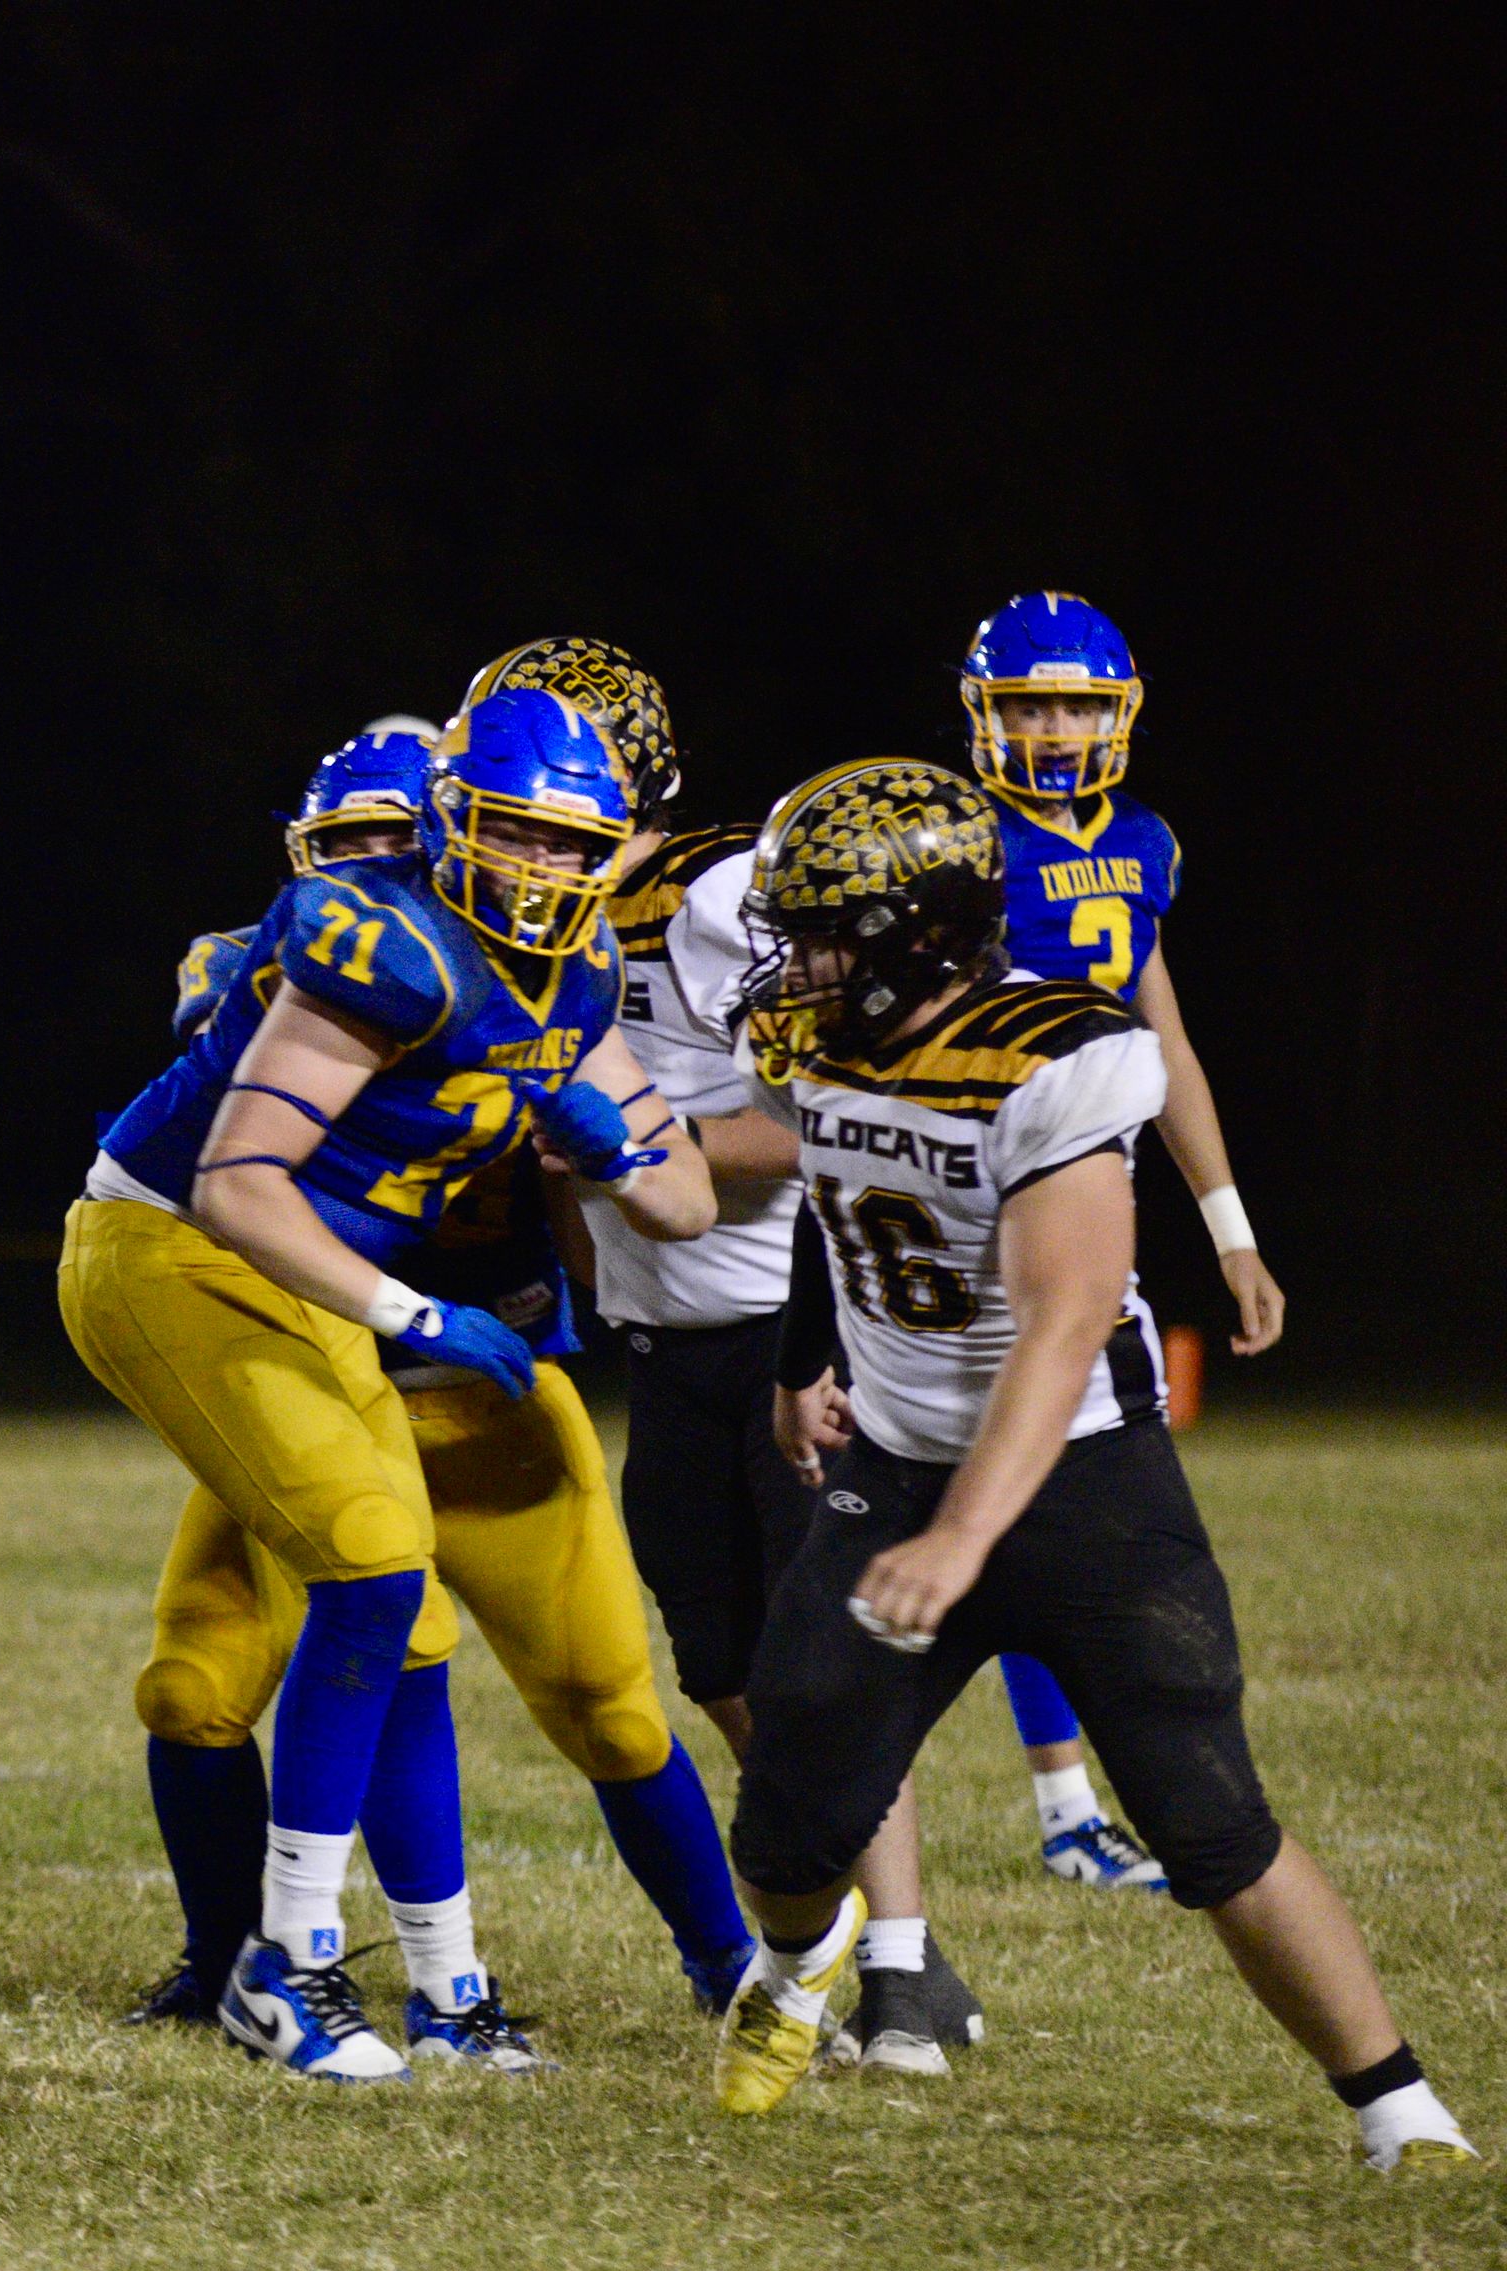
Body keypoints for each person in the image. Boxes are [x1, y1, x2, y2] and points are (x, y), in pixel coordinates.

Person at [708, 760, 1469, 2172]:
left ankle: (1398, 2106)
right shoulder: (815, 1043)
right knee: (788, 1816)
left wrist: (961, 1535)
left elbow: (1064, 1323)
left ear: (914, 935)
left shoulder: (1059, 1054)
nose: (792, 961)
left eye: (819, 930)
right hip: (894, 1469)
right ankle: (793, 1971)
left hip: (1082, 1482)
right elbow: (798, 1160)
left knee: (1208, 1816)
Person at [60, 688, 714, 2081]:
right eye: (515, 837)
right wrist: (416, 1303)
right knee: (357, 1572)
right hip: (186, 1244)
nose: (542, 870)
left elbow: (690, 1201)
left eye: (567, 844)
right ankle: (275, 1963)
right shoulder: (382, 946)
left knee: (409, 1611)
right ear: (451, 826)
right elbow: (238, 1180)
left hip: (353, 1299)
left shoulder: (577, 962)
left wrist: (619, 1150)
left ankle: (445, 1985)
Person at [473, 635, 982, 2075]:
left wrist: (666, 1151)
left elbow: (832, 1101)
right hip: (665, 1339)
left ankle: (900, 1966)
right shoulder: (529, 921)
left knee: (817, 1660)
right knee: (720, 1661)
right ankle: (844, 1923)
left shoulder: (710, 892)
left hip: (779, 1330)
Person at [958, 592, 1273, 1889]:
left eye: (1077, 700)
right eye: (1028, 699)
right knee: (1029, 1490)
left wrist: (1232, 1230)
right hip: (971, 1187)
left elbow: (1169, 1042)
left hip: (1095, 1197)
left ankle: (1072, 1804)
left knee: (1042, 1490)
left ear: (1119, 709)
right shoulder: (957, 839)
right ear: (983, 711)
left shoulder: (1145, 844)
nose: (1053, 724)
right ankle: (1071, 1803)